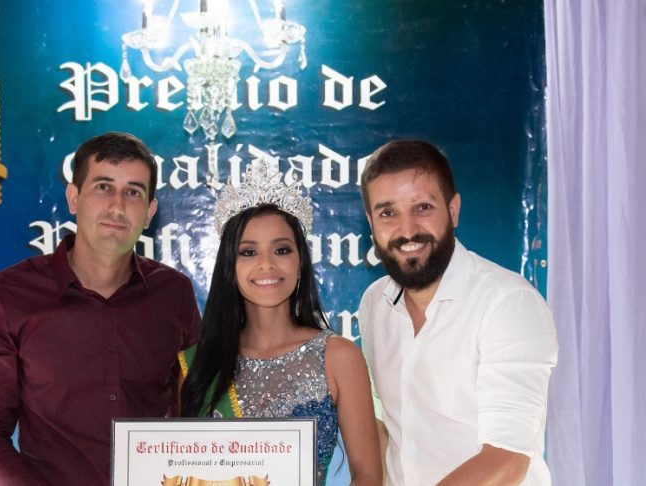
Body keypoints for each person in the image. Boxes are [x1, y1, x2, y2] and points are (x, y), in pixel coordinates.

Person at [0, 132, 200, 485]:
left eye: (133, 192)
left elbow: (197, 415)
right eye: (103, 187)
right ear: (74, 198)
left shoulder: (174, 294)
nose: (117, 206)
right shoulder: (9, 295)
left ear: (150, 212)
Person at [358, 139, 558, 485]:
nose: (407, 230)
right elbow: (386, 427)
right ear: (371, 222)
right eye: (388, 213)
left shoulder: (507, 303)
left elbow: (507, 459)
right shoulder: (375, 303)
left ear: (453, 210)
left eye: (422, 207)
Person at [179, 161, 382, 486]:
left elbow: (368, 477)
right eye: (248, 252)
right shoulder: (198, 365)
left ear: (300, 262)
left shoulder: (338, 357)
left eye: (282, 249)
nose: (266, 264)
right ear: (230, 266)